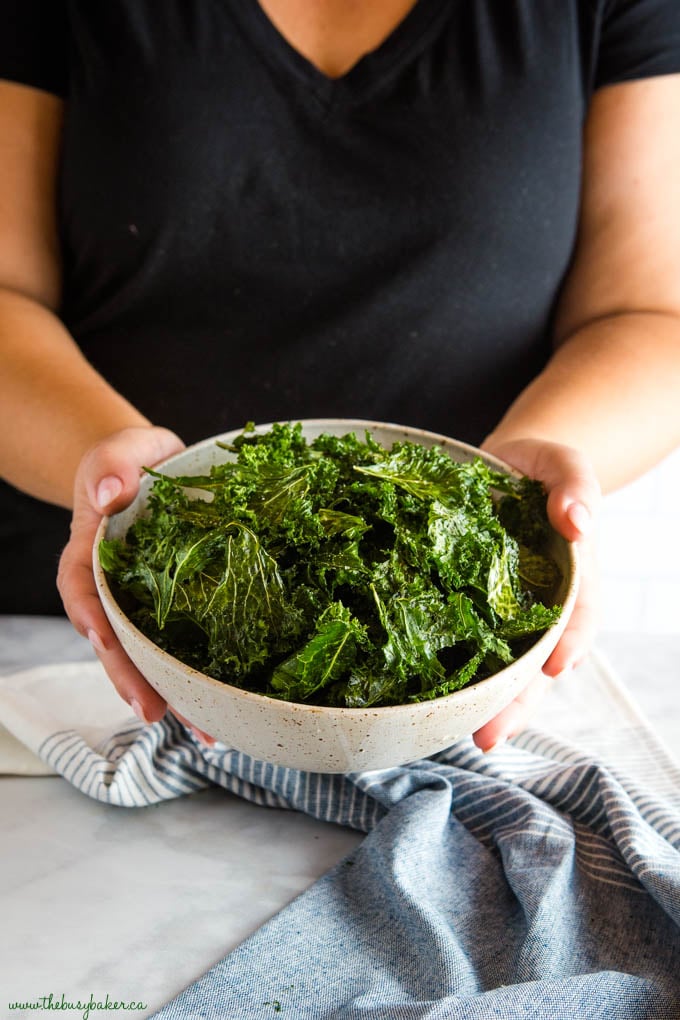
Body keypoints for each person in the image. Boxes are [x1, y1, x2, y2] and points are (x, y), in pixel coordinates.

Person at [1, 1, 679, 752]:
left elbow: (650, 311)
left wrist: (530, 476)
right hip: (74, 639)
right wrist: (112, 470)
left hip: (463, 673)